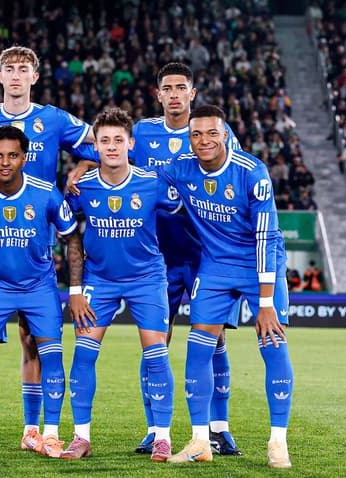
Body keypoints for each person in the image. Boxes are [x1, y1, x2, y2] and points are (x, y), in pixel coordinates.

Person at [68, 62, 244, 456]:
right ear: (159, 94)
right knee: (156, 343)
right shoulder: (142, 132)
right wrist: (81, 167)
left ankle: (219, 427)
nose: (176, 94)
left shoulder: (216, 132)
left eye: (182, 87)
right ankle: (155, 430)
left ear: (193, 93)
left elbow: (234, 177)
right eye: (169, 88)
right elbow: (94, 150)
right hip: (155, 256)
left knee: (213, 343)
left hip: (204, 255)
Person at [0, 45, 94, 452]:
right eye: (8, 68)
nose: (15, 75)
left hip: (38, 242)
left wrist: (80, 166)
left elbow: (102, 145)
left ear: (34, 76)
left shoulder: (53, 119)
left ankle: (34, 430)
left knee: (33, 341)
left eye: (23, 68)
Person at [162, 105, 293, 468]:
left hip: (259, 265)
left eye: (212, 133)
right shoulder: (181, 169)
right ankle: (200, 440)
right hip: (217, 267)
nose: (204, 141)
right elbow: (140, 183)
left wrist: (265, 302)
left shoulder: (252, 172)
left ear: (225, 134)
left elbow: (266, 236)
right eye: (196, 134)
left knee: (273, 342)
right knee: (198, 347)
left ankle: (277, 442)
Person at [62, 108, 179, 461]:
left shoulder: (153, 182)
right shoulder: (82, 188)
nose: (111, 146)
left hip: (147, 278)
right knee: (83, 354)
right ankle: (81, 437)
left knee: (156, 355)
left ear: (131, 144)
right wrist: (76, 290)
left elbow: (183, 213)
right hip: (100, 280)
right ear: (94, 146)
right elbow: (70, 239)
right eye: (104, 141)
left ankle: (162, 436)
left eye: (118, 140)